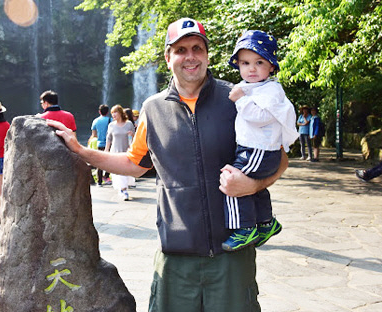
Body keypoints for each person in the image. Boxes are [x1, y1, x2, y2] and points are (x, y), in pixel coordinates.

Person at [48, 17, 288, 311]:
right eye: (181, 49)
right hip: (176, 256)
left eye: (197, 48)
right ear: (168, 57)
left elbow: (278, 155)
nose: (190, 57)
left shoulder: (237, 98)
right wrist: (83, 152)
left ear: (207, 54)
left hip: (232, 254)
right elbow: (134, 164)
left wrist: (254, 184)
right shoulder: (153, 108)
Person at [221, 30, 298, 251]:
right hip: (257, 150)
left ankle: (244, 229)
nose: (251, 68)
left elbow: (261, 117)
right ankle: (266, 223)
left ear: (272, 66)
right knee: (255, 187)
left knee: (232, 182)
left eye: (259, 62)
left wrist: (241, 100)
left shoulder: (270, 89)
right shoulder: (254, 86)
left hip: (259, 150)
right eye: (245, 63)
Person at [105, 105, 136, 201]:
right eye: (112, 113)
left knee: (125, 172)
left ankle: (123, 189)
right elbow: (109, 139)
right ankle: (123, 190)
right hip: (115, 151)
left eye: (115, 112)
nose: (113, 115)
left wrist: (132, 135)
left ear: (120, 113)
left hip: (126, 151)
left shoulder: (129, 124)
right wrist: (106, 151)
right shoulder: (111, 125)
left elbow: (135, 138)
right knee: (118, 173)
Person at [89, 104, 112, 186]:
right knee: (110, 161)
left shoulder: (95, 121)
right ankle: (106, 176)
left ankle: (99, 182)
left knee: (100, 162)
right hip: (109, 144)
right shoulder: (111, 120)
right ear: (108, 112)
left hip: (100, 144)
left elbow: (94, 134)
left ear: (99, 112)